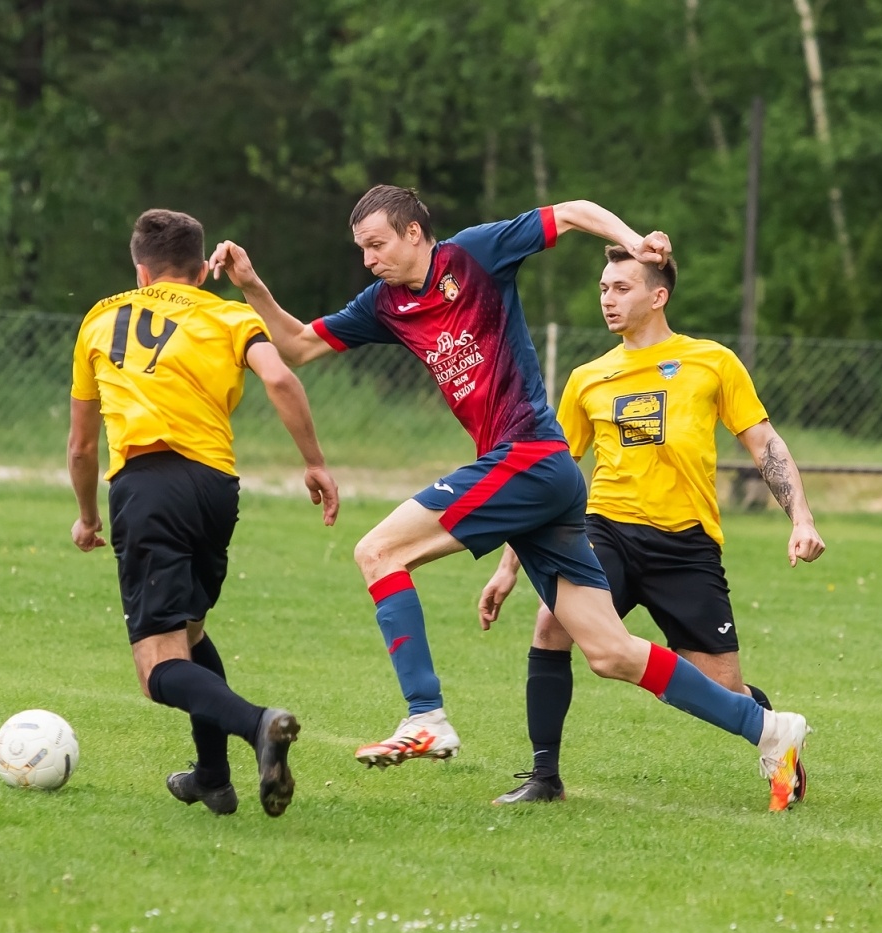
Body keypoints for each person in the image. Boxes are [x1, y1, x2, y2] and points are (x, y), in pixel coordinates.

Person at [210, 185, 810, 811]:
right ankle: (771, 729)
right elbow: (300, 345)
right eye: (361, 249)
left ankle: (426, 715)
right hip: (540, 478)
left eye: (377, 245)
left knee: (377, 552)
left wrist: (632, 241)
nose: (368, 260)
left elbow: (574, 213)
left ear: (414, 233)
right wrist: (253, 285)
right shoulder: (385, 304)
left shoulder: (475, 254)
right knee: (609, 652)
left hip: (528, 457)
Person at [478, 246, 825, 806]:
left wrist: (801, 519)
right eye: (603, 288)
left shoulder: (712, 361)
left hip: (685, 545)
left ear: (658, 296)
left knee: (722, 689)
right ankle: (545, 778)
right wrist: (507, 568)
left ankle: (773, 733)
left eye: (621, 288)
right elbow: (546, 477)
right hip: (604, 532)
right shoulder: (588, 378)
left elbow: (765, 443)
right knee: (552, 626)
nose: (607, 299)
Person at [68, 208, 340, 818]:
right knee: (189, 632)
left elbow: (83, 445)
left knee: (157, 670)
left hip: (146, 486)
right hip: (215, 487)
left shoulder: (101, 317)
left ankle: (258, 724)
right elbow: (282, 381)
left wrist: (87, 516)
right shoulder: (230, 314)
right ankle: (212, 778)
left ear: (141, 268)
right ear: (201, 269)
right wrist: (315, 462)